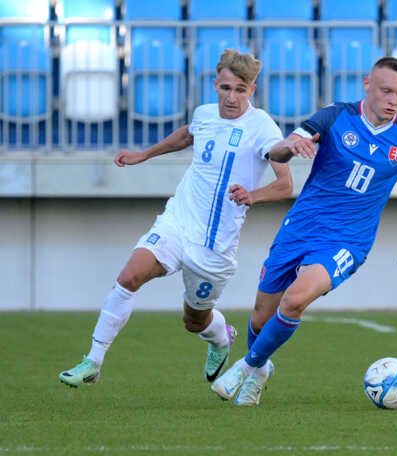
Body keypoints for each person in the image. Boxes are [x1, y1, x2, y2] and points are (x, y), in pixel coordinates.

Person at [211, 56, 397, 406]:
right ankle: (260, 371)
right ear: (367, 85)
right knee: (261, 315)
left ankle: (247, 366)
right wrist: (292, 145)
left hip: (347, 240)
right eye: (387, 91)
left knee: (297, 298)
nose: (393, 100)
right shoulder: (336, 116)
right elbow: (284, 151)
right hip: (300, 229)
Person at [58, 49, 293, 387]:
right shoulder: (205, 114)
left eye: (240, 90)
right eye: (226, 88)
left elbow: (286, 184)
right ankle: (92, 361)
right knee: (128, 277)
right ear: (215, 85)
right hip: (178, 221)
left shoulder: (262, 127)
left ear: (252, 91)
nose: (232, 97)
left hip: (215, 246)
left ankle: (220, 338)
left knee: (194, 321)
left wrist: (252, 195)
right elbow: (187, 134)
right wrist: (144, 155)